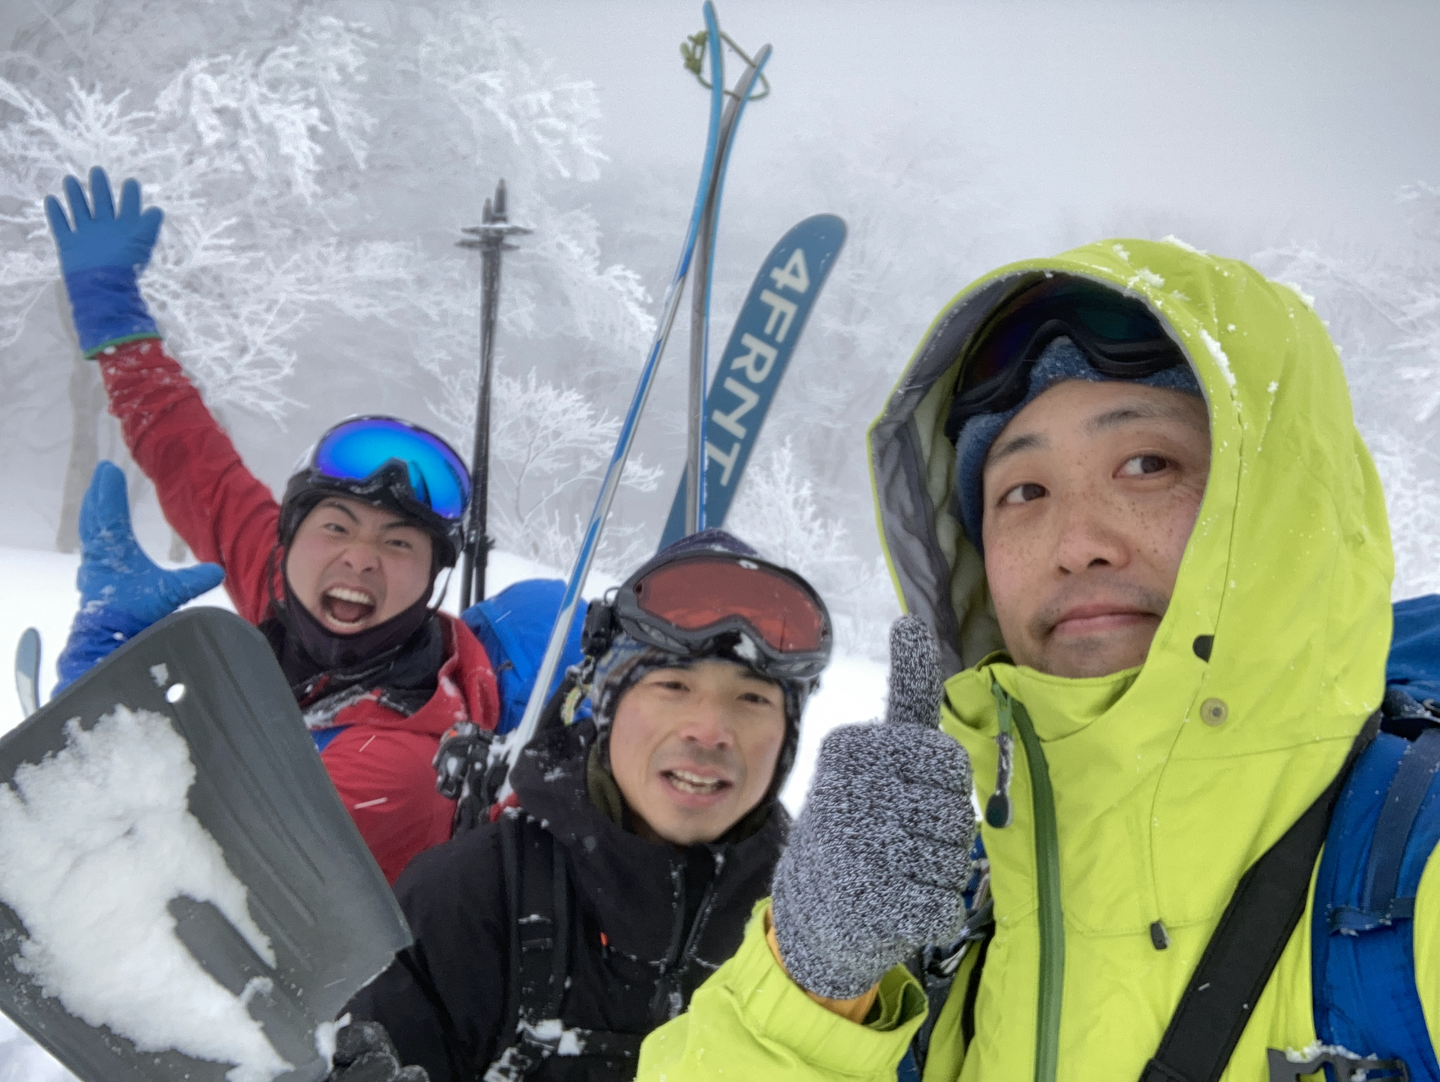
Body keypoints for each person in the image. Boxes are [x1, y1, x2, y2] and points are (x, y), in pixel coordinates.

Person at [635, 240, 1432, 1080]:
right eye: (1024, 491)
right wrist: (810, 999)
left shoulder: (1419, 881)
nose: (1076, 544)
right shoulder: (950, 918)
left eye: (1147, 465)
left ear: (1279, 501)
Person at [44, 168, 499, 884]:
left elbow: (179, 876)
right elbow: (193, 457)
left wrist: (96, 682)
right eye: (337, 527)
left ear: (432, 582)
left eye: (398, 544)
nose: (360, 559)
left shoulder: (400, 764)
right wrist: (113, 317)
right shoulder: (286, 595)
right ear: (287, 543)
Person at [330, 529, 834, 1082]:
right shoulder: (471, 897)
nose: (710, 729)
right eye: (673, 686)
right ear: (607, 706)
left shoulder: (817, 939)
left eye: (752, 698)